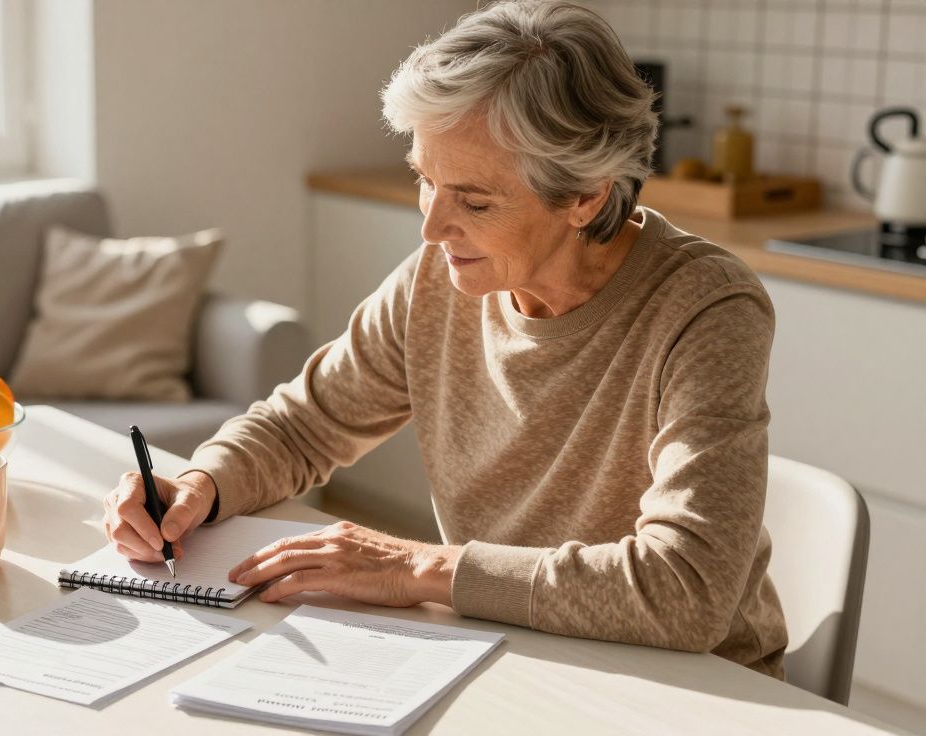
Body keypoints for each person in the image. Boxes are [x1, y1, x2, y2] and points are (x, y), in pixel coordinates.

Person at [101, 0, 787, 678]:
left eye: (475, 200)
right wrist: (199, 485)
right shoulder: (439, 279)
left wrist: (419, 567)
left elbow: (687, 590)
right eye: (425, 181)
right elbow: (304, 427)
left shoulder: (705, 308)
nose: (431, 228)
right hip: (516, 650)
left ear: (585, 196)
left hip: (691, 686)